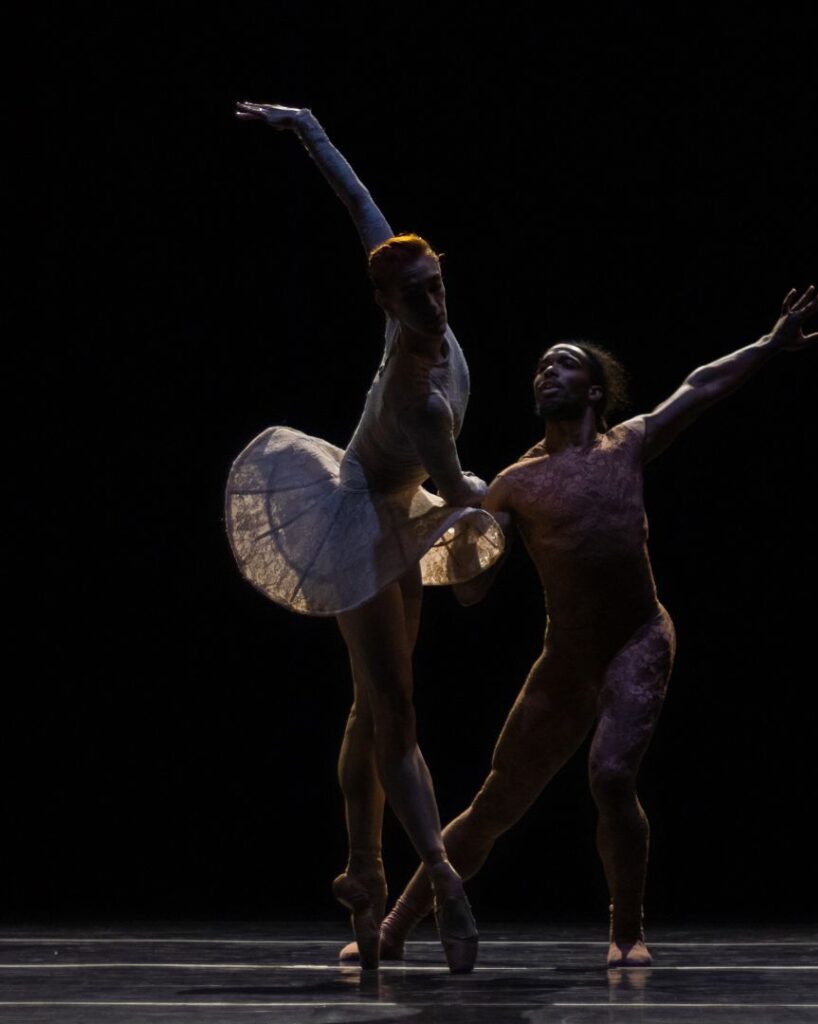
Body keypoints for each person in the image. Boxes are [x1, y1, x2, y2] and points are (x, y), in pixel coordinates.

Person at [344, 285, 818, 968]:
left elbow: (700, 386)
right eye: (541, 365)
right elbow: (474, 591)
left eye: (564, 364)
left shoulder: (626, 446)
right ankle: (397, 925)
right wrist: (454, 539)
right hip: (565, 660)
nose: (547, 371)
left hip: (637, 641)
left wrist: (769, 345)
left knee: (609, 776)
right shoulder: (514, 483)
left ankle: (626, 930)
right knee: (495, 801)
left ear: (596, 391)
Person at [225, 102, 504, 972]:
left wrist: (307, 126)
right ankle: (443, 880)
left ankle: (362, 870)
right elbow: (460, 487)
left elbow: (362, 206)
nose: (431, 298)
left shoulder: (431, 330)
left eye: (437, 283)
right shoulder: (417, 395)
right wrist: (523, 487)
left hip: (401, 518)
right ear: (383, 303)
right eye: (413, 293)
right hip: (354, 516)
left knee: (368, 709)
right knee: (396, 711)